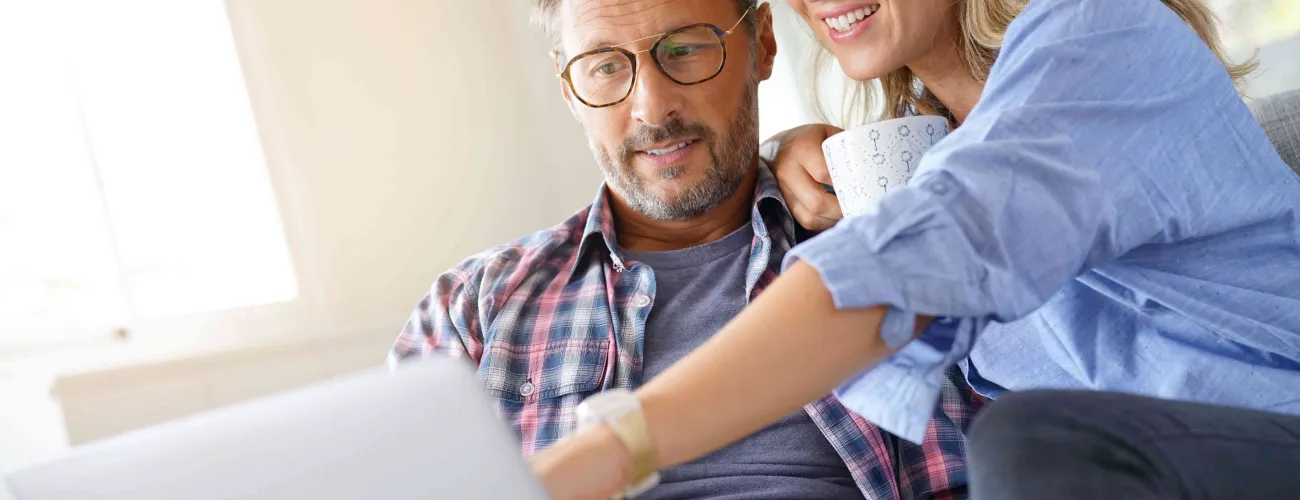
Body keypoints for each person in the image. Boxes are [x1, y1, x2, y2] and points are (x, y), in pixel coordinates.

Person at [529, 0, 1300, 497]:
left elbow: (919, 255)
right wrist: (779, 156)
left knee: (1032, 440)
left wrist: (611, 447)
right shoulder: (913, 154)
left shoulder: (1102, 34)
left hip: (1269, 435)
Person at [389, 1, 986, 498]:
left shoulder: (876, 237)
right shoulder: (471, 310)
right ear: (569, 89)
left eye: (685, 49)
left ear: (764, 43)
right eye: (603, 67)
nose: (652, 107)